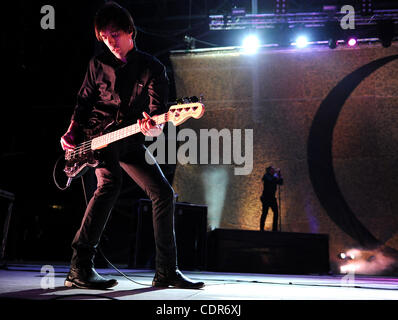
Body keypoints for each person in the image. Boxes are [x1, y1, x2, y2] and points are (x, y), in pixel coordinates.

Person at [60, 2, 204, 290]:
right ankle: (79, 267)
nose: (109, 41)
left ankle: (166, 271)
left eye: (114, 34)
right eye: (104, 36)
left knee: (163, 192)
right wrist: (72, 132)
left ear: (130, 31)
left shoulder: (153, 68)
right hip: (96, 139)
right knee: (109, 184)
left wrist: (156, 125)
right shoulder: (97, 64)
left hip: (128, 140)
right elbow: (83, 101)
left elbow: (158, 117)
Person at [260, 166, 283, 232]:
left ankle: (274, 229)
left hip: (272, 198)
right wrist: (276, 175)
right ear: (269, 170)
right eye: (273, 169)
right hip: (266, 197)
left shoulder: (273, 177)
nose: (274, 170)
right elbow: (271, 180)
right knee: (265, 213)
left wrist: (280, 175)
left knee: (276, 212)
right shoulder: (266, 176)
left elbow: (281, 183)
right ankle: (261, 229)